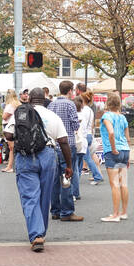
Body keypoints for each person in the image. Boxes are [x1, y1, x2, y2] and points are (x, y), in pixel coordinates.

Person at [12, 88, 74, 252]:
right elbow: (64, 141)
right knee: (45, 196)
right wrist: (69, 165)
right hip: (47, 155)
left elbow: (8, 134)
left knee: (30, 196)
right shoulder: (53, 116)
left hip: (25, 157)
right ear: (44, 99)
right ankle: (41, 233)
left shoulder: (22, 113)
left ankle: (36, 234)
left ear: (30, 98)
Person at [48, 81, 82, 217]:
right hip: (67, 144)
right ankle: (67, 211)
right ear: (70, 91)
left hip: (53, 144)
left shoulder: (51, 104)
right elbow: (75, 125)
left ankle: (55, 210)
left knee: (55, 179)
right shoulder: (70, 104)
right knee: (66, 177)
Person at [99, 93, 131, 221]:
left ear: (108, 103)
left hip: (113, 151)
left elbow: (111, 132)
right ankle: (124, 212)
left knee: (114, 184)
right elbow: (128, 137)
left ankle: (115, 214)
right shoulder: (122, 117)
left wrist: (113, 148)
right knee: (123, 183)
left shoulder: (106, 116)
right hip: (125, 150)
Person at [1, 89, 19, 173]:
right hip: (14, 126)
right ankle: (11, 166)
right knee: (13, 148)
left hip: (9, 126)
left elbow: (4, 117)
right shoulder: (17, 104)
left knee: (11, 148)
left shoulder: (10, 105)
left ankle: (10, 166)